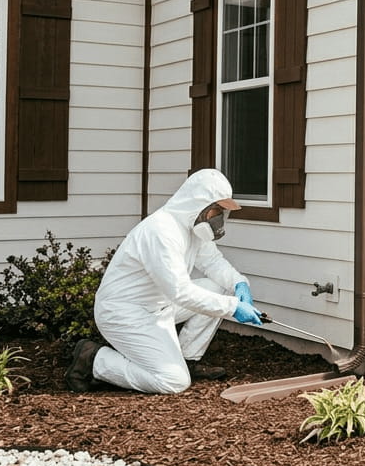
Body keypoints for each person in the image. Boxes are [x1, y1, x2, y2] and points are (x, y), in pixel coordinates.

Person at [64, 168, 265, 393]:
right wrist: (233, 307)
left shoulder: (193, 226)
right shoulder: (161, 231)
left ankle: (188, 359)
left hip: (159, 306)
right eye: (216, 210)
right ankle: (94, 359)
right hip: (125, 313)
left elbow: (212, 262)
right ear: (198, 204)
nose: (218, 218)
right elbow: (180, 291)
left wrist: (239, 284)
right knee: (174, 381)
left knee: (223, 288)